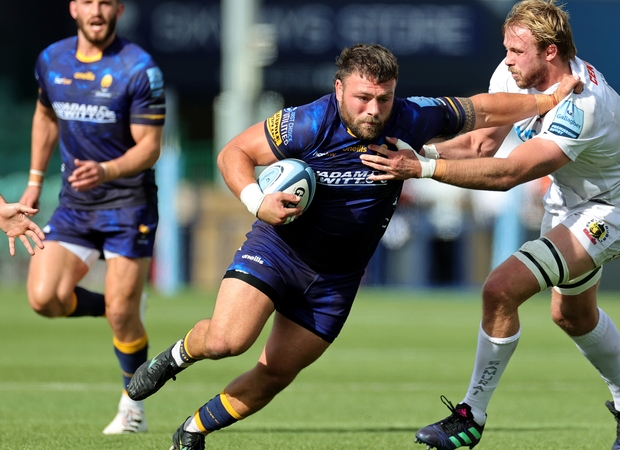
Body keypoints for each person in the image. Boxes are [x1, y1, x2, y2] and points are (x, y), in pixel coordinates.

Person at [125, 43, 578, 449]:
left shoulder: (411, 116)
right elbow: (232, 154)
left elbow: (484, 109)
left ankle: (193, 430)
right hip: (280, 249)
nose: (374, 110)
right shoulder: (307, 122)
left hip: (338, 277)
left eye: (383, 98)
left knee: (277, 372)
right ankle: (176, 357)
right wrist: (256, 201)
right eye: (363, 98)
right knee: (228, 340)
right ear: (339, 89)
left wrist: (548, 100)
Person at [360, 1, 620, 449]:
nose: (507, 59)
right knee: (571, 315)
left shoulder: (583, 105)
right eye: (506, 48)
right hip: (569, 201)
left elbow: (509, 174)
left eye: (517, 50)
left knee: (501, 288)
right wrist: (422, 153)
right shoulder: (514, 76)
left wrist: (419, 171)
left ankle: (471, 416)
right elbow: (483, 145)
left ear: (551, 51)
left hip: (614, 210)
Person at [19, 0, 165, 435]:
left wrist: (107, 169)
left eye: (105, 2)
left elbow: (150, 146)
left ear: (118, 8)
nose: (96, 10)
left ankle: (133, 408)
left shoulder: (140, 68)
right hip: (75, 204)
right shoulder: (52, 60)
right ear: (73, 8)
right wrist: (33, 181)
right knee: (44, 298)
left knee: (124, 313)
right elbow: (45, 116)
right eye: (88, 1)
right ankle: (121, 309)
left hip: (128, 203)